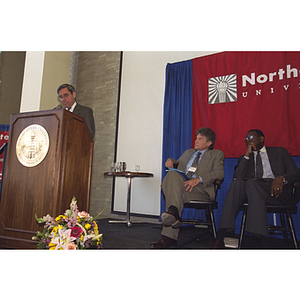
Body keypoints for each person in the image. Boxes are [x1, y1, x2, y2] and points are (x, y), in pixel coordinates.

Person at [212, 129, 300, 249]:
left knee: (252, 183)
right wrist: (247, 155)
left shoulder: (279, 152)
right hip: (253, 191)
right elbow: (237, 177)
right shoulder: (245, 158)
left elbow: (295, 172)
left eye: (252, 137)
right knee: (237, 184)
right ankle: (220, 237)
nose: (249, 140)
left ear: (262, 139)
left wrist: (281, 178)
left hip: (277, 191)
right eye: (246, 139)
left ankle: (262, 241)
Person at [150, 127, 224, 249]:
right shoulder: (188, 152)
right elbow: (177, 163)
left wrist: (198, 179)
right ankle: (173, 214)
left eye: (200, 139)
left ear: (209, 143)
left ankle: (170, 235)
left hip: (201, 189)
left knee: (173, 193)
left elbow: (219, 173)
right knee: (172, 175)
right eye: (196, 138)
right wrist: (170, 161)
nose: (196, 141)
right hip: (183, 187)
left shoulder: (216, 154)